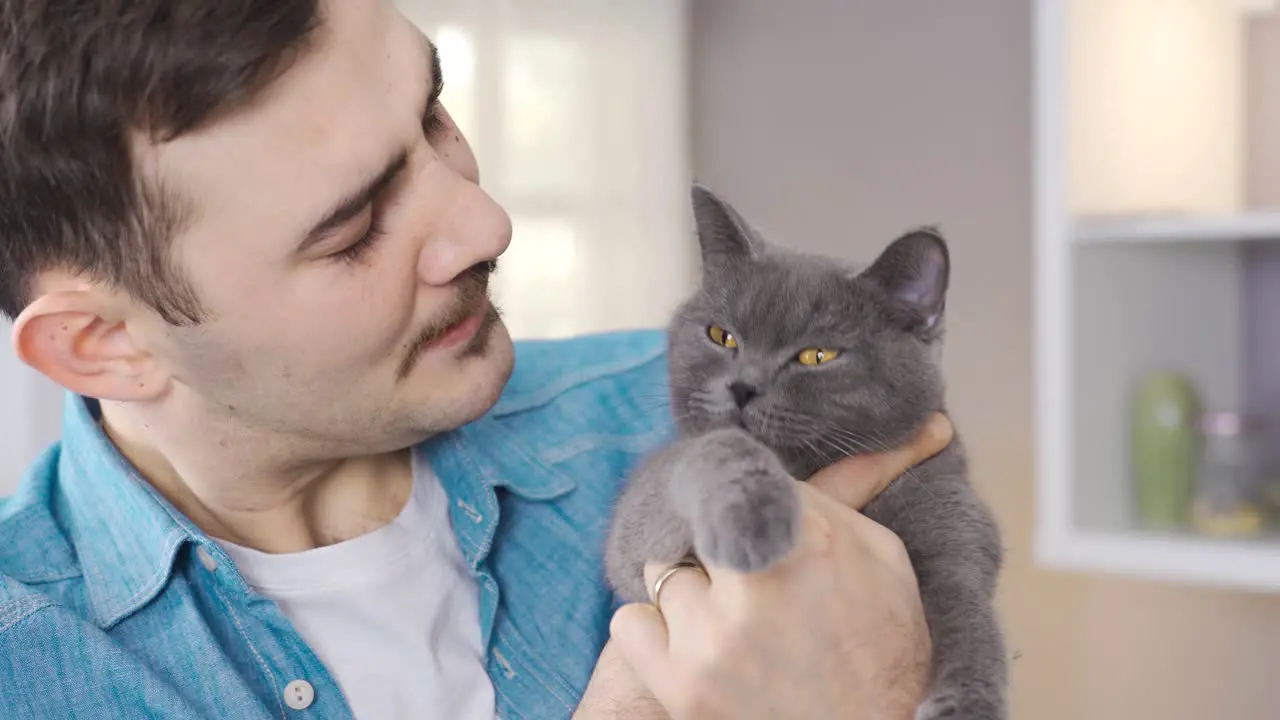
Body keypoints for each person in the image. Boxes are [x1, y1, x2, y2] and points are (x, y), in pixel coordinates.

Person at [0, 0, 949, 718]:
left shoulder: (695, 417)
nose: (485, 223)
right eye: (355, 227)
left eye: (433, 115)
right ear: (105, 345)